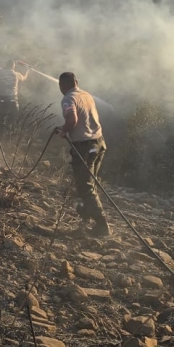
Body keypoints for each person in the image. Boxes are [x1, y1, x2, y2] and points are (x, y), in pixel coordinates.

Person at [54, 70, 110, 236]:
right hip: (99, 144)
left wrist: (64, 131)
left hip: (84, 147)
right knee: (89, 184)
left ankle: (102, 225)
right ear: (76, 82)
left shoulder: (68, 99)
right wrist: (63, 128)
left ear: (62, 86)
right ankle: (86, 214)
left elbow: (72, 119)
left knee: (85, 187)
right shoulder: (86, 95)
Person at [0, 58, 30, 133]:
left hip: (3, 97)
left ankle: (1, 130)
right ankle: (11, 130)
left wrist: (4, 65)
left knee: (2, 114)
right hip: (13, 98)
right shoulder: (17, 74)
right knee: (14, 115)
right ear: (13, 66)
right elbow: (24, 78)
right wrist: (27, 71)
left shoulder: (0, 72)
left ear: (6, 65)